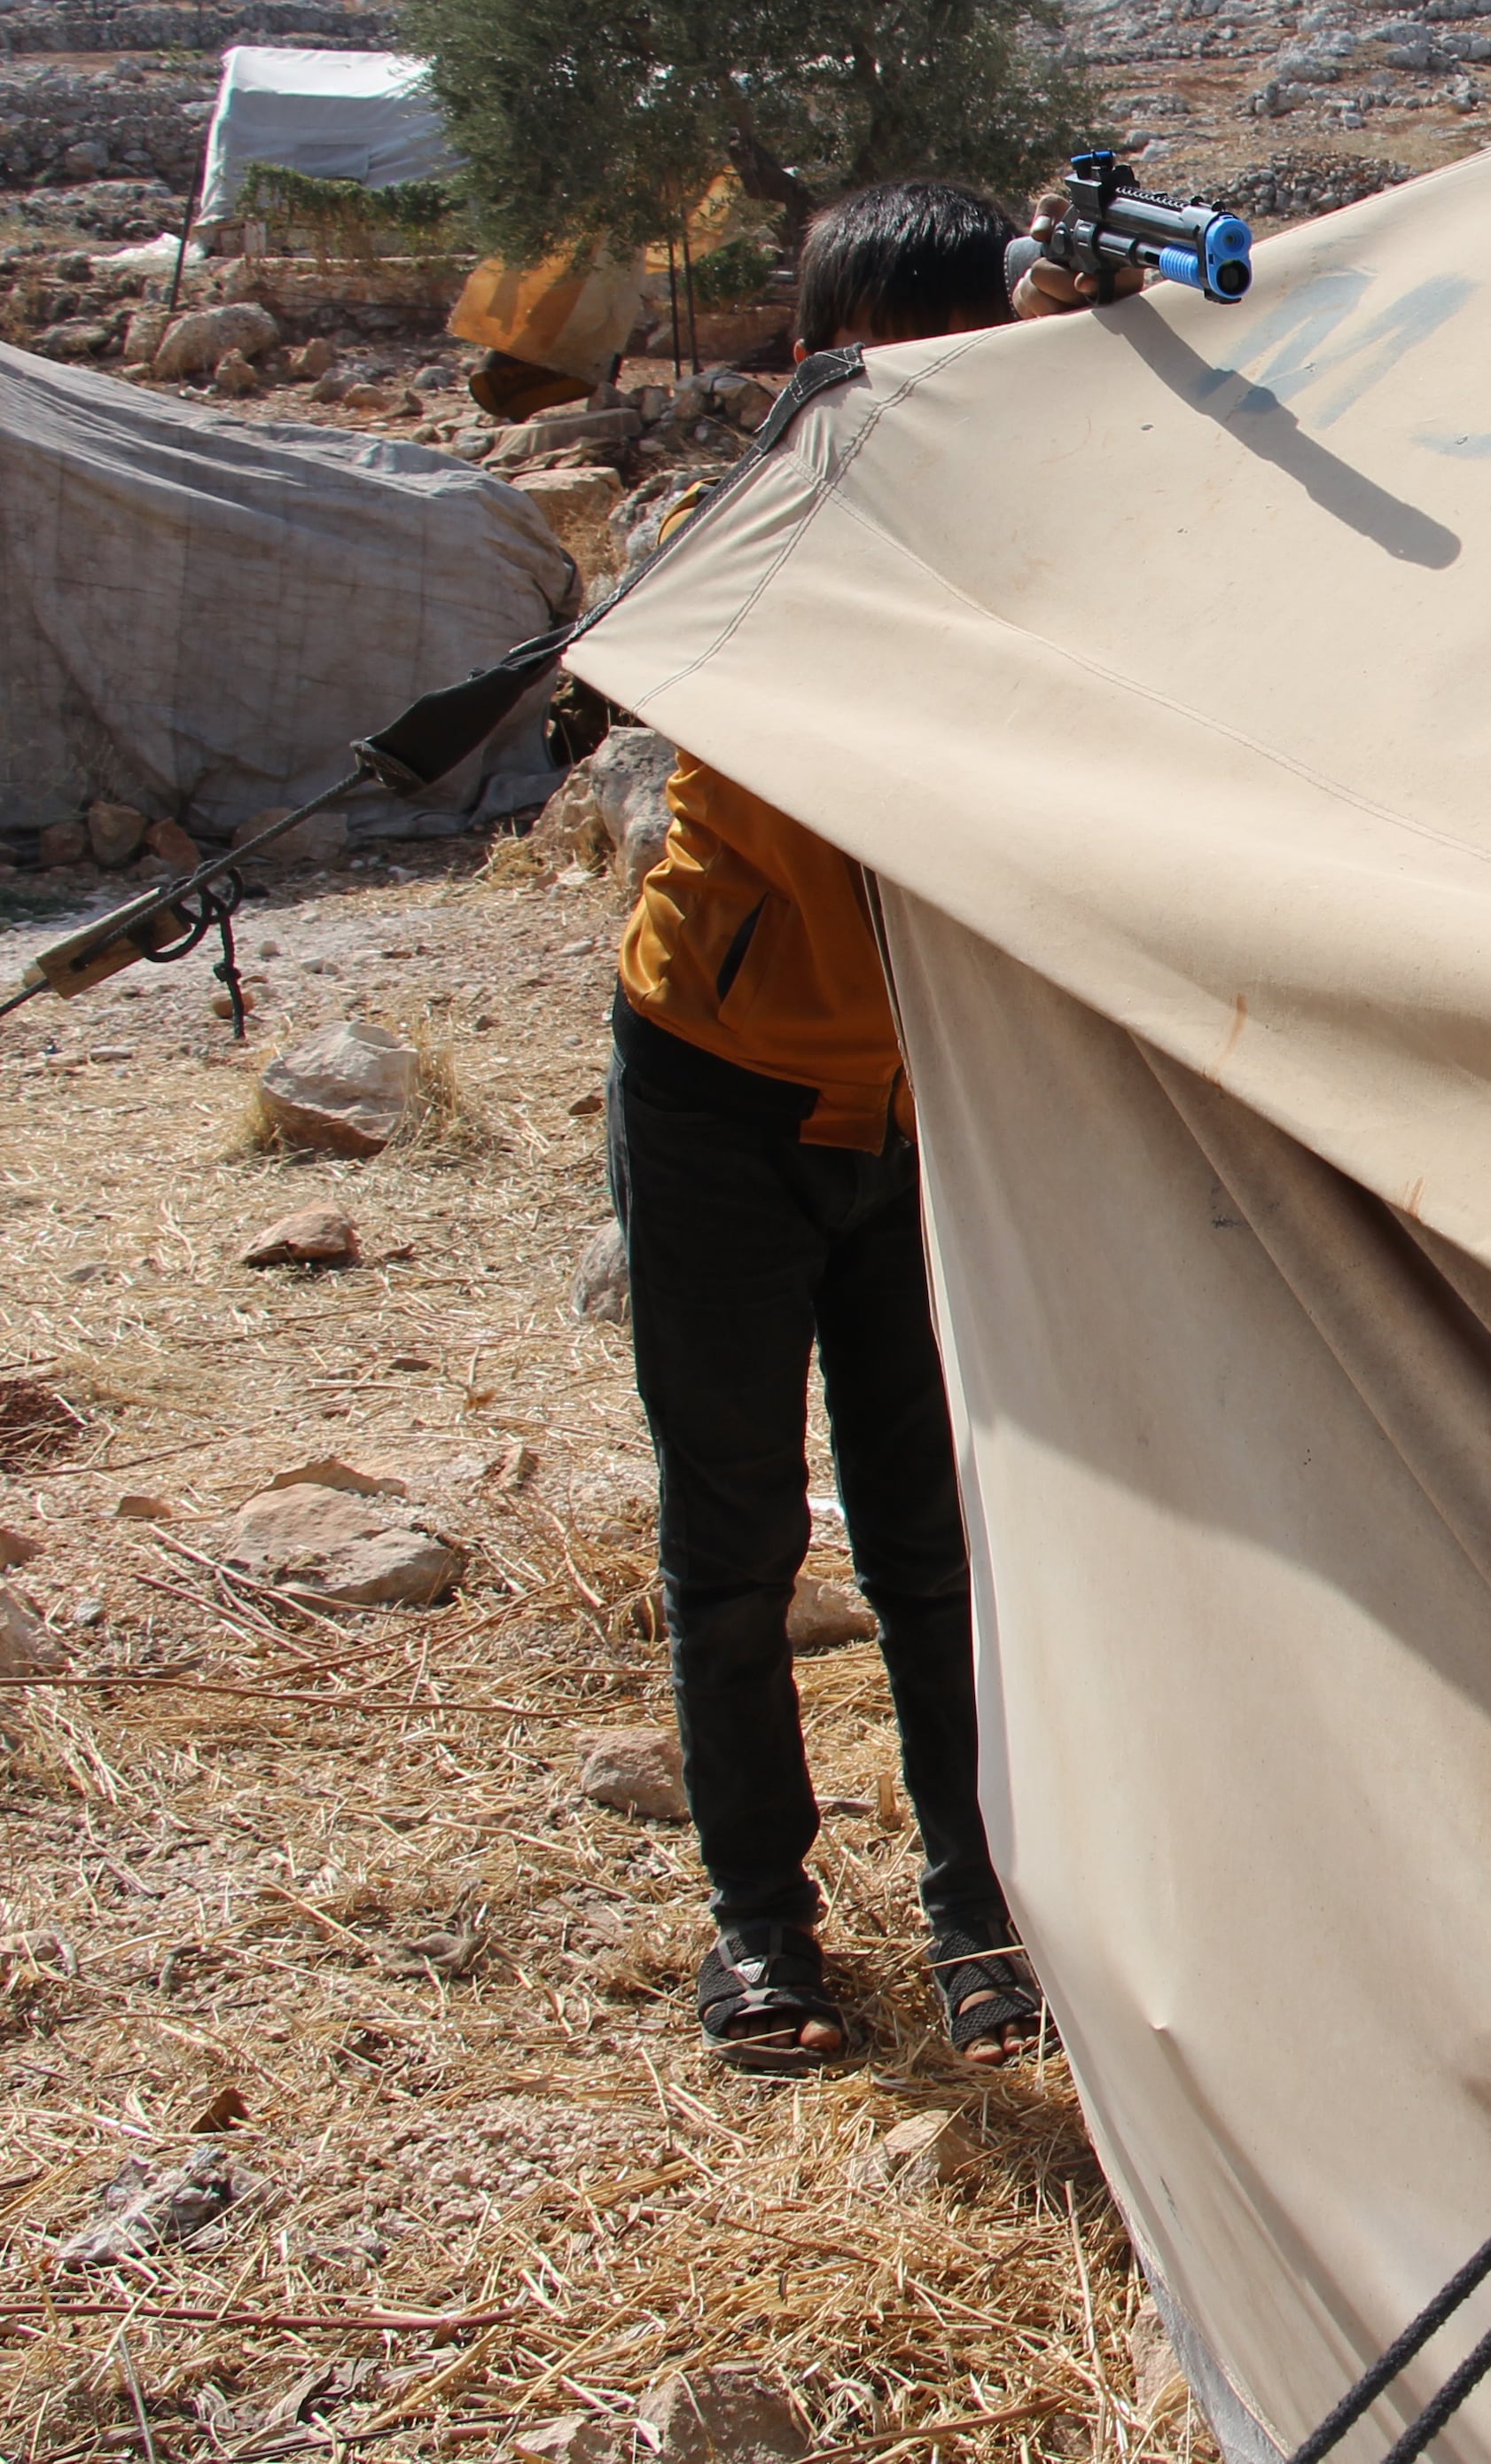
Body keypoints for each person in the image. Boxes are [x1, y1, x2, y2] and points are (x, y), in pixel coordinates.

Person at [606, 176, 1049, 2072]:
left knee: (932, 1537)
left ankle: (978, 1911)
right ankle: (762, 1930)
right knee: (732, 1541)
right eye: (906, 370)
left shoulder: (1043, 539)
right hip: (717, 1077)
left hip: (924, 1091)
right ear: (827, 370)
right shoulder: (775, 526)